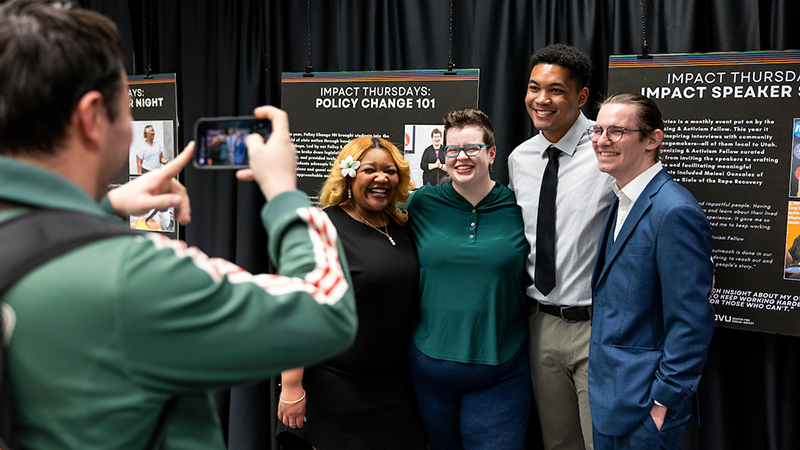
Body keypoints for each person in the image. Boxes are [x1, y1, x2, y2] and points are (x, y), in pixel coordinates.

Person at [0, 1, 357, 449]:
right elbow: (326, 310)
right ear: (92, 117)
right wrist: (286, 195)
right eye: (126, 108)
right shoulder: (135, 274)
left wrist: (104, 207)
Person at [275, 136, 427, 450]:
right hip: (335, 389)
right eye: (369, 169)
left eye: (390, 171)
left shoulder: (401, 226)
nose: (381, 178)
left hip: (393, 390)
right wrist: (291, 386)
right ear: (348, 175)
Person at [588, 93, 715, 449]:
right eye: (598, 130)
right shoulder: (623, 199)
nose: (601, 141)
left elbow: (691, 322)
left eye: (616, 131)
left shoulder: (674, 212)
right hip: (611, 401)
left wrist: (662, 403)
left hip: (645, 410)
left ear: (653, 139)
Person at [507, 43, 613, 450]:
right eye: (534, 88)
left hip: (598, 325)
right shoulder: (520, 158)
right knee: (559, 441)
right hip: (541, 324)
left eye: (555, 90)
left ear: (581, 97)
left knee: (602, 441)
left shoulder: (607, 148)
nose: (541, 100)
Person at [407, 108, 531, 449]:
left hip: (501, 369)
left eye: (472, 148)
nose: (461, 157)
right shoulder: (421, 203)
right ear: (442, 156)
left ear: (491, 153)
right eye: (452, 150)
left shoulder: (518, 206)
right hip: (430, 369)